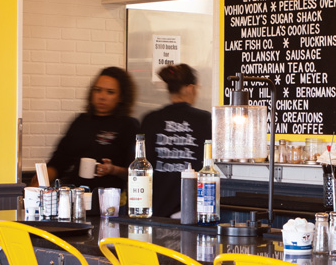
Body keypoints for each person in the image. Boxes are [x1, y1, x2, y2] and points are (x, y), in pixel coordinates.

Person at [38, 67, 139, 194]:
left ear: (121, 97)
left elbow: (137, 172)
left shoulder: (128, 125)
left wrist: (113, 170)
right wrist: (39, 182)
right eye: (98, 90)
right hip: (76, 197)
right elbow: (59, 161)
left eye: (110, 92)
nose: (102, 96)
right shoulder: (81, 121)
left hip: (110, 201)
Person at [141, 64, 212, 218]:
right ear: (189, 88)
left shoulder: (151, 119)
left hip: (157, 208)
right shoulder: (204, 119)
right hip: (193, 208)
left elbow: (139, 164)